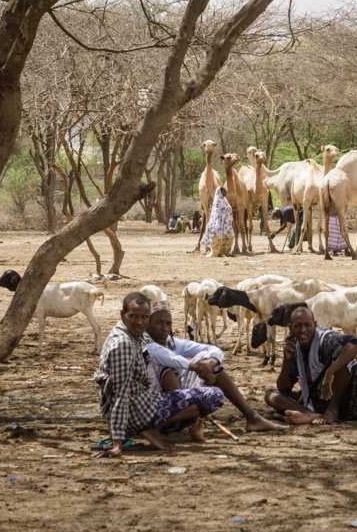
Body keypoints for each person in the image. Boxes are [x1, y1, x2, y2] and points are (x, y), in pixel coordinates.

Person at [93, 293, 225, 457]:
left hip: (141, 403)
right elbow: (121, 394)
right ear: (123, 315)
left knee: (195, 392)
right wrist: (118, 443)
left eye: (144, 317)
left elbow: (163, 355)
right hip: (138, 410)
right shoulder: (123, 344)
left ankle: (163, 426)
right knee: (215, 395)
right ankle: (149, 429)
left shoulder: (133, 335)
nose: (139, 322)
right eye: (133, 316)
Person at [143, 301, 286, 434]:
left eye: (168, 324)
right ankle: (161, 426)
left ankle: (252, 418)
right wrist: (195, 366)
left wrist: (210, 362)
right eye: (159, 323)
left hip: (175, 407)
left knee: (210, 363)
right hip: (153, 410)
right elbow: (164, 356)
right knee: (167, 367)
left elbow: (213, 349)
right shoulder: (144, 345)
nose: (164, 328)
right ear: (147, 324)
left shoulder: (172, 342)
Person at [265, 305, 357, 425]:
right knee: (271, 395)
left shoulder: (327, 339)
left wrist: (330, 372)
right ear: (291, 328)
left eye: (307, 325)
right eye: (298, 326)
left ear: (315, 325)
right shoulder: (294, 346)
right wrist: (287, 361)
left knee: (345, 359)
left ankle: (332, 411)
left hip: (353, 403)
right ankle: (310, 415)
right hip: (318, 400)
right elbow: (284, 388)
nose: (303, 330)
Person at [202, 186, 235, 257]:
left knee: (230, 236)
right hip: (218, 223)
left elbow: (228, 208)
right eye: (224, 191)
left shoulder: (224, 200)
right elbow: (216, 213)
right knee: (216, 236)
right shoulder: (217, 201)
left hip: (226, 223)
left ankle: (224, 251)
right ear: (220, 192)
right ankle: (215, 252)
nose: (226, 192)